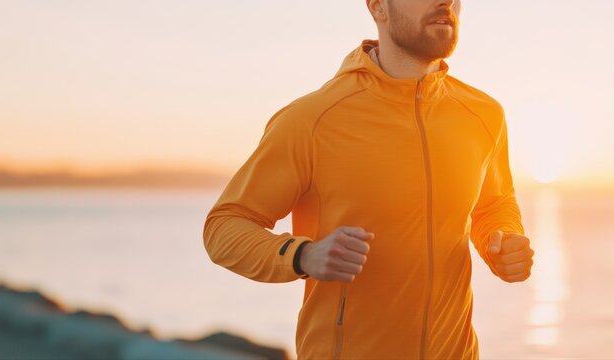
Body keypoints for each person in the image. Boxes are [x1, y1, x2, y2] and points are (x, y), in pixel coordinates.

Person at [202, 0, 535, 358]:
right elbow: (224, 227)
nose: (447, 2)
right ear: (378, 7)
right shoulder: (313, 120)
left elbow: (493, 204)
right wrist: (304, 255)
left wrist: (502, 242)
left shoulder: (483, 114)